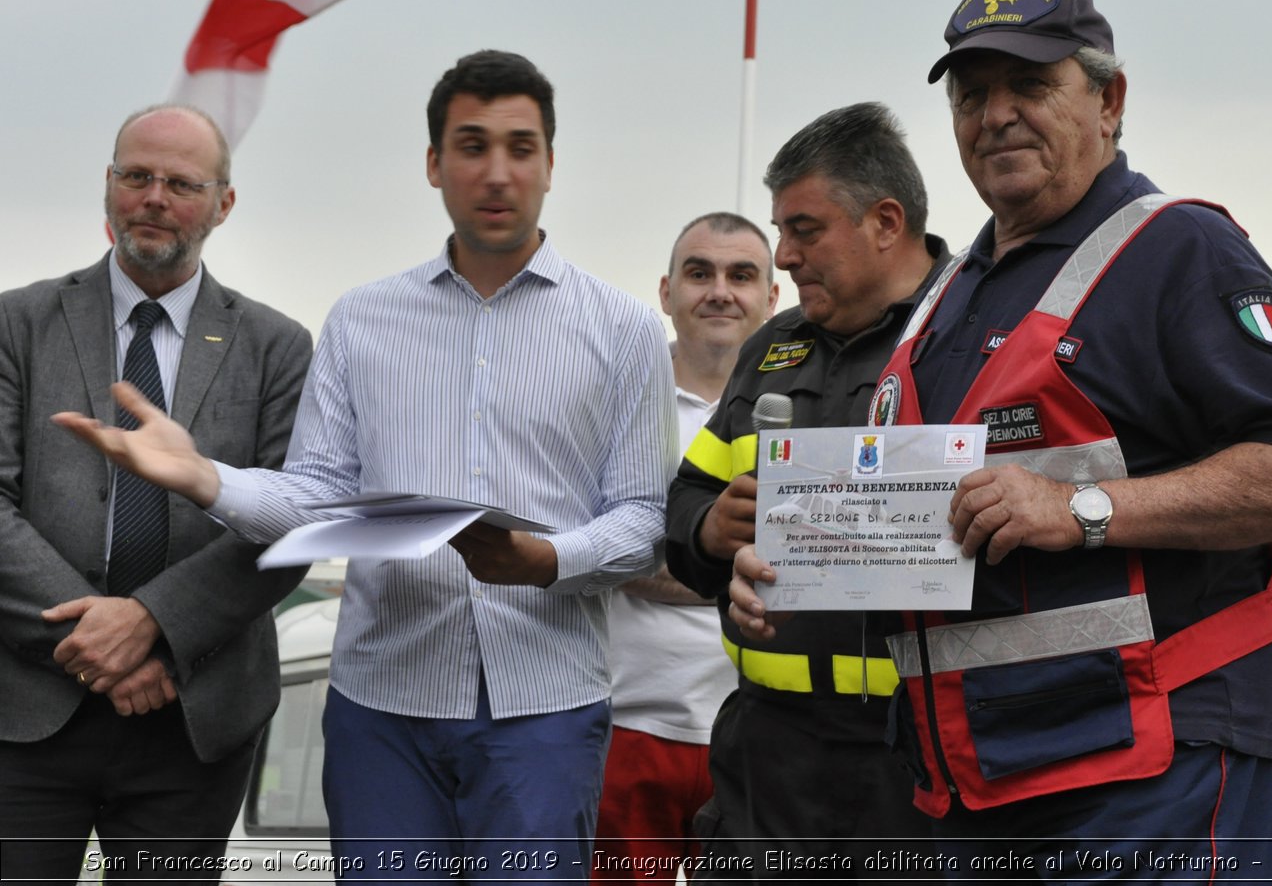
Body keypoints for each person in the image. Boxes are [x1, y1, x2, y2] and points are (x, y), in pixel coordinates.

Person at [730, 0, 1272, 878]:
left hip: (1162, 771)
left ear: (1109, 100)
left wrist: (1080, 508)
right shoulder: (948, 292)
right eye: (973, 94)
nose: (997, 115)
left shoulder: (1179, 249)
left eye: (1032, 85)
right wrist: (790, 569)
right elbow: (922, 535)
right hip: (983, 782)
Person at [54, 51, 677, 879]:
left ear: (552, 165)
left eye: (521, 147)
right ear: (433, 163)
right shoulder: (362, 321)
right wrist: (205, 475)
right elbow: (320, 496)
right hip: (385, 706)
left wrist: (547, 558)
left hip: (545, 703)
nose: (496, 171)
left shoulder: (624, 329)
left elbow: (642, 519)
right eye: (471, 144)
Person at [0, 105, 312, 881]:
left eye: (180, 182)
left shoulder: (277, 349)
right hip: (28, 710)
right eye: (136, 176)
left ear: (223, 203)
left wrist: (153, 626)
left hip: (195, 717)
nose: (154, 197)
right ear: (107, 186)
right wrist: (96, 650)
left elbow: (294, 522)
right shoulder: (17, 323)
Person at [665, 102, 948, 878]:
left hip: (921, 764)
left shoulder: (974, 334)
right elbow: (686, 502)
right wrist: (709, 531)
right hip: (768, 766)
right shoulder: (773, 347)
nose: (783, 256)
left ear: (886, 221)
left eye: (804, 229)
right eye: (781, 231)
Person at [593, 211, 778, 884]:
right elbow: (598, 553)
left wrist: (661, 559)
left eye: (742, 274)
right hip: (629, 721)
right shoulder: (615, 401)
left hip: (759, 732)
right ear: (666, 291)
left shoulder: (812, 406)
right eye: (699, 273)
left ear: (772, 296)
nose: (720, 291)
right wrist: (737, 565)